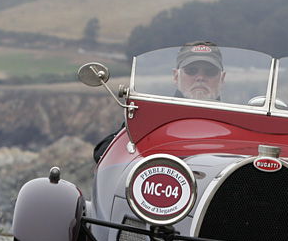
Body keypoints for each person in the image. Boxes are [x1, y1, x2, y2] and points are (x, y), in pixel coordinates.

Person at [94, 41, 225, 163]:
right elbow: (102, 152)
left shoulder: (236, 118)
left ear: (222, 79)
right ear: (176, 76)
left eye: (210, 72)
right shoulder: (154, 115)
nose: (200, 77)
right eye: (191, 71)